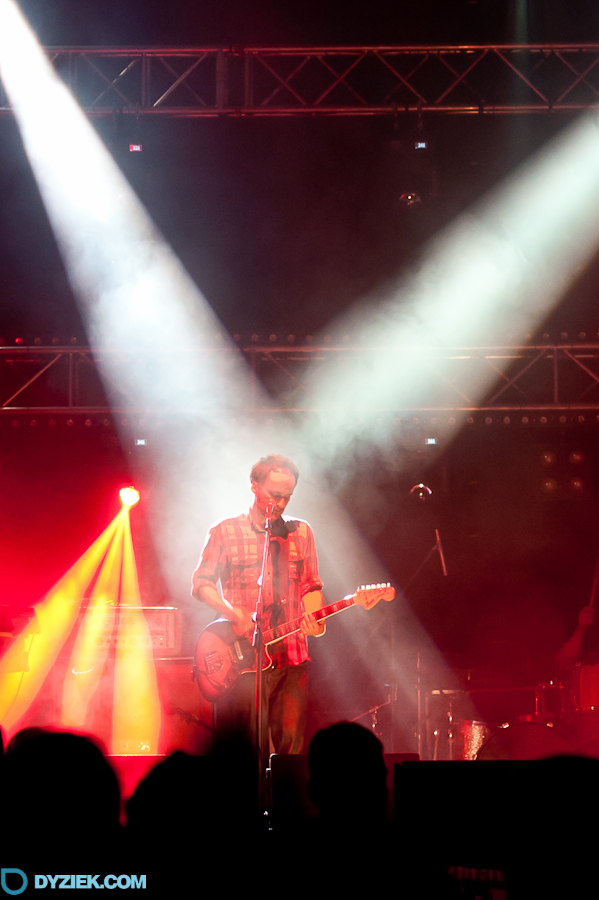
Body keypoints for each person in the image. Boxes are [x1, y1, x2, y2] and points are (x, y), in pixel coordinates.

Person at [191, 453, 325, 755]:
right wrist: (231, 613)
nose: (280, 503)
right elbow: (201, 584)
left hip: (291, 657)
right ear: (254, 485)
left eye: (287, 497)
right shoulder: (225, 531)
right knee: (247, 753)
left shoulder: (301, 532)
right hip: (243, 661)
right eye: (274, 495)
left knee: (290, 754)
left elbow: (310, 585)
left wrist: (316, 620)